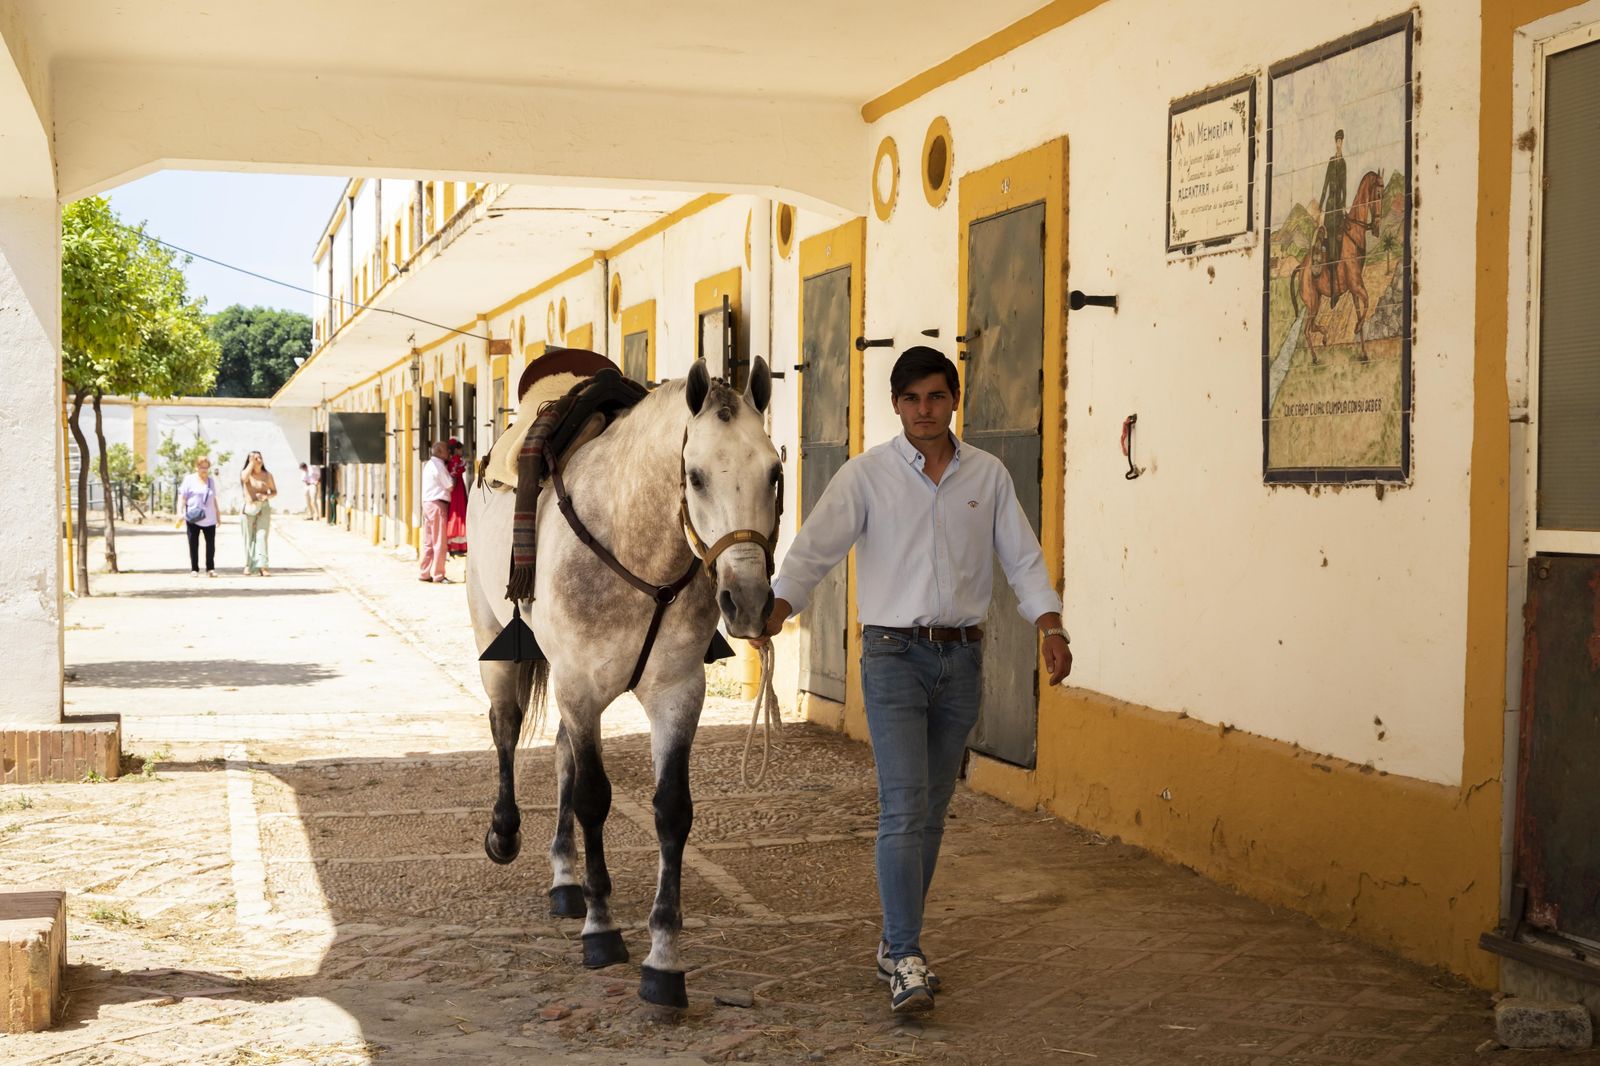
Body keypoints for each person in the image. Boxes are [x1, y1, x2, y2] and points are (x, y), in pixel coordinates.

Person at [753, 346, 1072, 1015]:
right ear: (895, 405)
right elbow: (815, 548)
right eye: (911, 399)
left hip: (963, 662)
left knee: (928, 813)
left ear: (955, 398)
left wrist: (1050, 626)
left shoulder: (986, 475)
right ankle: (904, 954)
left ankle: (895, 944)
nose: (924, 411)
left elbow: (1022, 556)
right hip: (893, 657)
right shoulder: (866, 477)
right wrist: (777, 609)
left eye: (936, 397)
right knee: (903, 807)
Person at [177, 455, 220, 578]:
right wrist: (180, 512)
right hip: (193, 517)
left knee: (211, 545)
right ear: (196, 467)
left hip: (209, 517)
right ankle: (194, 569)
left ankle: (210, 569)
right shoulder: (189, 479)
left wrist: (218, 515)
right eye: (202, 467)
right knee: (193, 543)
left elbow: (214, 498)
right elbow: (182, 497)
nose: (204, 470)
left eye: (206, 467)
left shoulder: (211, 481)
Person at [239, 451, 278, 577]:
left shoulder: (267, 475)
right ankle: (248, 565)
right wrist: (251, 464)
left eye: (259, 457)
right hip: (248, 508)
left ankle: (263, 566)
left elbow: (274, 491)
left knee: (261, 537)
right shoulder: (246, 473)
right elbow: (244, 478)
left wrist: (266, 496)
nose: (258, 460)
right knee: (248, 537)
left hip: (263, 508)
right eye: (254, 458)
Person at [419, 440, 453, 583]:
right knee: (439, 541)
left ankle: (424, 572)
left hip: (427, 504)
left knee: (428, 541)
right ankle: (439, 574)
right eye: (446, 450)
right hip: (438, 504)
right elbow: (449, 485)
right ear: (439, 451)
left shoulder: (428, 465)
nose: (449, 453)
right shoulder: (438, 466)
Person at [1318, 128, 1347, 271]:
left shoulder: (1343, 163)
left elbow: (1344, 186)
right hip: (1330, 202)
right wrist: (1321, 203)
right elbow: (1325, 183)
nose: (1338, 144)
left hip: (1338, 202)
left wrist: (1344, 205)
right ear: (1335, 142)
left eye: (1340, 141)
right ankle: (1328, 259)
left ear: (1342, 143)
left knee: (1338, 233)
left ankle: (1336, 262)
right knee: (1329, 230)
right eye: (1337, 141)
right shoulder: (1331, 161)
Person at [445, 438, 469, 556]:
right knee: (458, 511)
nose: (461, 452)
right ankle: (457, 544)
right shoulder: (455, 460)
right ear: (456, 450)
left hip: (457, 488)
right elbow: (454, 474)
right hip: (456, 489)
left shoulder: (452, 460)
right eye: (460, 449)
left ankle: (454, 545)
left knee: (456, 511)